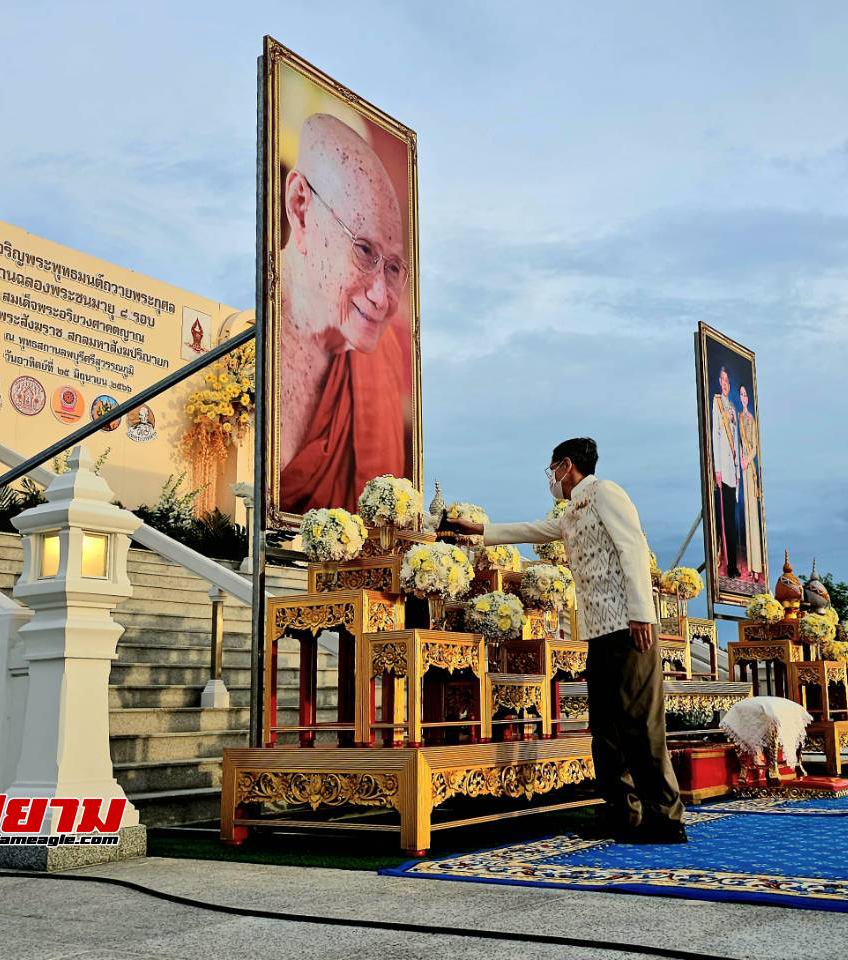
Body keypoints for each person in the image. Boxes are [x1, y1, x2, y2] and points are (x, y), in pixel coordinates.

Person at [440, 437, 686, 843]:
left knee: (641, 723)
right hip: (598, 630)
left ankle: (666, 816)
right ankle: (623, 813)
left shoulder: (606, 492)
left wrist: (643, 612)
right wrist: (478, 530)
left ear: (566, 465)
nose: (550, 477)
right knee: (604, 727)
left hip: (630, 626)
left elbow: (633, 548)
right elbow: (534, 530)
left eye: (551, 468)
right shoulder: (573, 509)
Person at [276, 113, 413, 515]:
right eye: (364, 250)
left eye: (393, 268)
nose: (381, 297)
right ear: (301, 208)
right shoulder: (260, 337)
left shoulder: (378, 353)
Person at [709, 367, 743, 580]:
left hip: (733, 469)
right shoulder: (717, 403)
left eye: (727, 380)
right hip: (722, 468)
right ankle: (727, 564)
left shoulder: (732, 406)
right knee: (724, 519)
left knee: (732, 519)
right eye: (721, 379)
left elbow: (737, 438)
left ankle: (733, 565)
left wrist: (738, 470)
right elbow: (715, 434)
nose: (725, 383)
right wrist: (717, 469)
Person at [737, 383, 762, 581]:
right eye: (742, 394)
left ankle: (756, 566)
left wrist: (746, 460)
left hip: (749, 469)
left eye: (746, 395)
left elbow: (754, 447)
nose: (744, 397)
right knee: (744, 516)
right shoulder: (738, 416)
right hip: (740, 468)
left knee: (753, 517)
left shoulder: (750, 419)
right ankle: (748, 565)